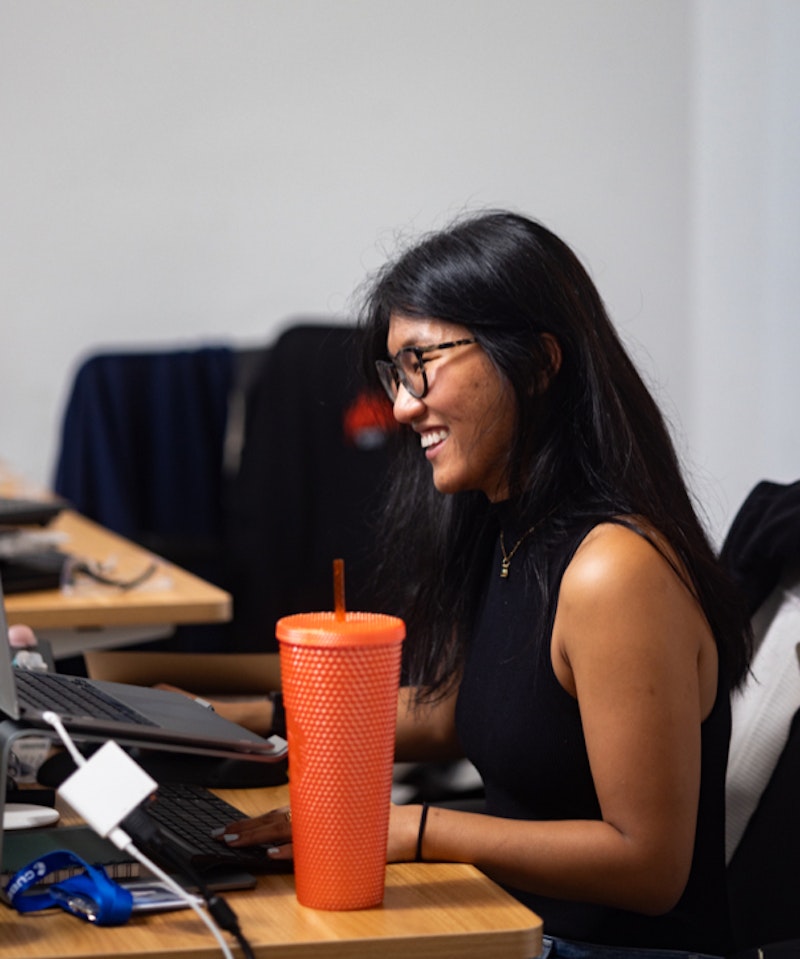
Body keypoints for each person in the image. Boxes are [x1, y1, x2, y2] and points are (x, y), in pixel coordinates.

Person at [119, 212, 758, 957]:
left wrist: (410, 830)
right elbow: (457, 710)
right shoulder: (510, 522)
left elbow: (648, 864)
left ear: (538, 361)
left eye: (421, 362)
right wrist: (244, 719)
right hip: (513, 926)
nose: (399, 406)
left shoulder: (614, 571)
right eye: (396, 371)